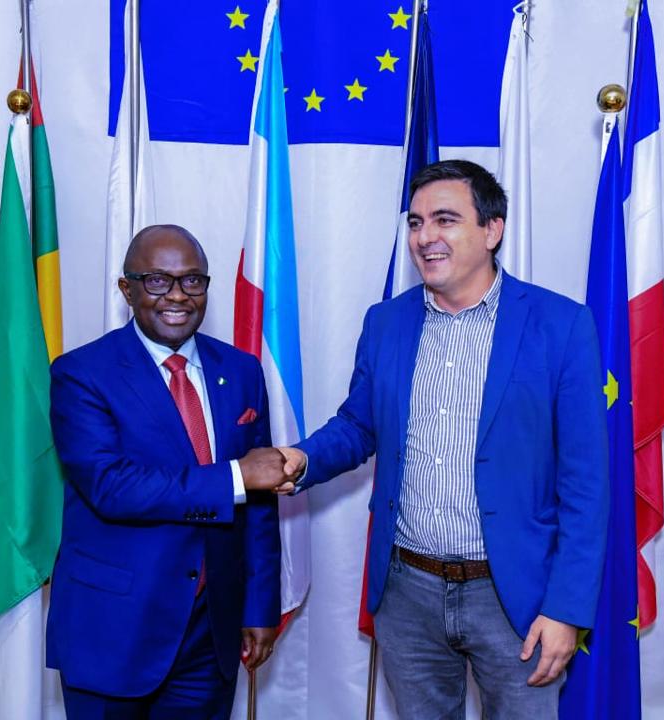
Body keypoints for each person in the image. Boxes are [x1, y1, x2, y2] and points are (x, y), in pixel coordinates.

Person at [274, 160, 609, 718]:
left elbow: (586, 484)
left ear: (492, 230)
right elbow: (359, 425)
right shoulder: (385, 322)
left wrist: (567, 609)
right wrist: (299, 459)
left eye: (445, 220)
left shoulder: (560, 325)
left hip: (517, 598)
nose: (425, 236)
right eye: (416, 222)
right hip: (408, 594)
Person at [46, 224, 288, 718]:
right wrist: (235, 477)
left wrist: (260, 605)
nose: (177, 296)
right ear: (127, 289)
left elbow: (260, 504)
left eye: (192, 280)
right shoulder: (81, 373)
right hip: (114, 629)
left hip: (210, 632)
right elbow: (111, 486)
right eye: (157, 280)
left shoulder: (241, 370)